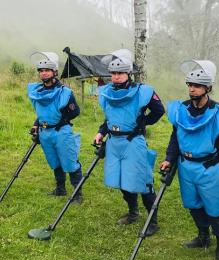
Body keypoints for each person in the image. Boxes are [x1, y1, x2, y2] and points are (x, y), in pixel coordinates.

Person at [159, 60, 219, 260]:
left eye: (196, 86)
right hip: (186, 166)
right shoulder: (181, 109)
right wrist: (169, 159)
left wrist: (212, 151)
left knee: (215, 208)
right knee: (192, 204)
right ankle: (203, 237)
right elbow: (175, 137)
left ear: (208, 88)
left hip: (209, 168)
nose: (192, 89)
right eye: (190, 85)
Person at [93, 49, 165, 236]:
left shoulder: (142, 91)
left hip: (133, 142)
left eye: (120, 73)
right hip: (114, 142)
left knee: (142, 180)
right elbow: (109, 117)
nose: (116, 77)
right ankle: (133, 212)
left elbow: (158, 110)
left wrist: (144, 122)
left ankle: (153, 220)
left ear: (128, 74)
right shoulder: (107, 93)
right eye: (113, 73)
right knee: (121, 179)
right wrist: (101, 132)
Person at [27, 52, 83, 203]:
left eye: (47, 70)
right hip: (45, 132)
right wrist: (36, 124)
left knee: (70, 161)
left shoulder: (64, 92)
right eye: (41, 70)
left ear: (54, 72)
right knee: (54, 161)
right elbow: (42, 113)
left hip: (61, 132)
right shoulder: (37, 92)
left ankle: (77, 194)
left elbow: (75, 111)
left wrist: (61, 120)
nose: (43, 73)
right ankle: (60, 189)